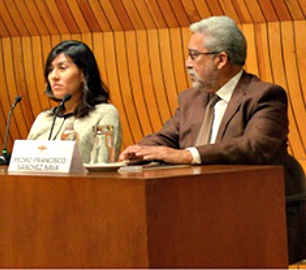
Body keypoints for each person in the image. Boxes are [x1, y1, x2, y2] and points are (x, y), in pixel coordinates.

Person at [118, 15, 304, 263]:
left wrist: (189, 155)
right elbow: (166, 137)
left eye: (194, 55)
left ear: (221, 59)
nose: (187, 63)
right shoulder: (190, 99)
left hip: (259, 213)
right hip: (201, 210)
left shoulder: (265, 96)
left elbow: (255, 146)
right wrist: (140, 150)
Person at [27, 40, 121, 164]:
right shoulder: (44, 118)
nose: (53, 76)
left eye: (62, 68)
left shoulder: (104, 113)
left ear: (83, 74)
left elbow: (103, 167)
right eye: (50, 70)